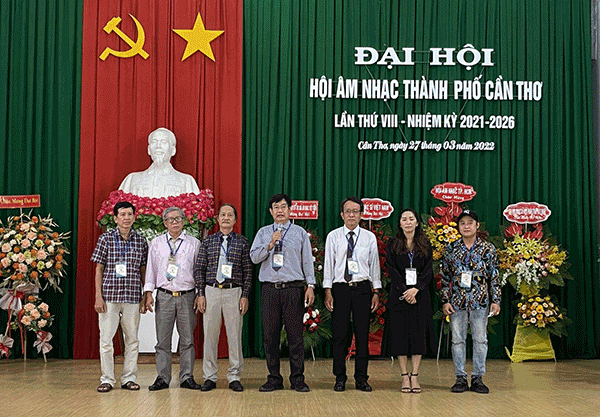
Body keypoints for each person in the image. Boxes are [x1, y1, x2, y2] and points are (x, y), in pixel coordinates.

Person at [250, 194, 315, 392]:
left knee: (295, 337)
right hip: (270, 289)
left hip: (293, 289)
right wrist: (270, 244)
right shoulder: (263, 233)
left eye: (283, 206)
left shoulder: (300, 233)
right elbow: (254, 258)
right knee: (270, 336)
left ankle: (298, 379)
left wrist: (310, 285)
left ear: (290, 210)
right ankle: (273, 378)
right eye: (276, 207)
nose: (280, 210)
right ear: (271, 211)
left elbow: (307, 260)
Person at [323, 197, 381, 392]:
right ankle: (339, 377)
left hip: (362, 289)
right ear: (342, 214)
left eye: (355, 211)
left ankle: (361, 378)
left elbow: (374, 266)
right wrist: (328, 291)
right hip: (340, 289)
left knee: (362, 334)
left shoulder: (369, 237)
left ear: (361, 215)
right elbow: (329, 265)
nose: (351, 215)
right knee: (340, 335)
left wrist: (376, 291)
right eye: (347, 211)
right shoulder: (333, 236)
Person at [440, 209, 501, 394]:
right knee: (457, 341)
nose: (466, 226)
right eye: (462, 223)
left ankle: (477, 378)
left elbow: (494, 276)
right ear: (458, 227)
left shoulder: (488, 248)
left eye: (470, 223)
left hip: (480, 301)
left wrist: (496, 300)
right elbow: (445, 277)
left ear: (477, 225)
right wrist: (445, 300)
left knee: (480, 340)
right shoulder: (451, 249)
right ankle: (460, 377)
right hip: (457, 301)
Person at [194, 204, 252, 392]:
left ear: (235, 220)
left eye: (230, 215)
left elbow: (248, 271)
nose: (226, 218)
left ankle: (234, 376)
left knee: (234, 336)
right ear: (217, 219)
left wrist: (245, 295)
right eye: (223, 215)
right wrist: (200, 294)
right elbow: (199, 269)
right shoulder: (208, 242)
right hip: (211, 291)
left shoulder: (242, 242)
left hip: (233, 291)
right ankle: (210, 377)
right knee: (210, 336)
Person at [91, 201, 148, 393]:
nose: (126, 218)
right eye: (122, 215)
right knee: (106, 340)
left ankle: (129, 378)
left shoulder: (140, 241)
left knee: (132, 340)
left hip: (132, 296)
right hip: (109, 297)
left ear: (134, 217)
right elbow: (98, 269)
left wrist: (145, 294)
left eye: (129, 214)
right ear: (115, 218)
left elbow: (143, 270)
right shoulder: (105, 239)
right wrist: (98, 297)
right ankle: (107, 379)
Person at [143, 207, 202, 391]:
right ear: (164, 223)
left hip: (187, 296)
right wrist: (148, 293)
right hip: (164, 296)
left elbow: (199, 271)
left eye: (178, 218)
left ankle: (187, 377)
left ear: (184, 221)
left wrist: (199, 293)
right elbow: (150, 269)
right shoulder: (156, 243)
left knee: (187, 340)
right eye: (170, 219)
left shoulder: (194, 243)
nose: (174, 222)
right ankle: (163, 377)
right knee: (162, 341)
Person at [385, 208, 433, 393]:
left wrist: (416, 289)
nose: (408, 222)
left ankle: (415, 376)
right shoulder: (393, 243)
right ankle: (404, 376)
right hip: (399, 296)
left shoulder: (425, 243)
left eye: (411, 219)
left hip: (420, 296)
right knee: (400, 337)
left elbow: (428, 270)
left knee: (418, 336)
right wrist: (405, 291)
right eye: (404, 219)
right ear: (399, 223)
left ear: (417, 222)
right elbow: (391, 268)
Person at [119, 127, 201, 198]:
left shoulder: (186, 181)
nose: (158, 146)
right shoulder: (132, 179)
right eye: (154, 142)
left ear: (173, 150)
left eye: (163, 142)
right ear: (149, 150)